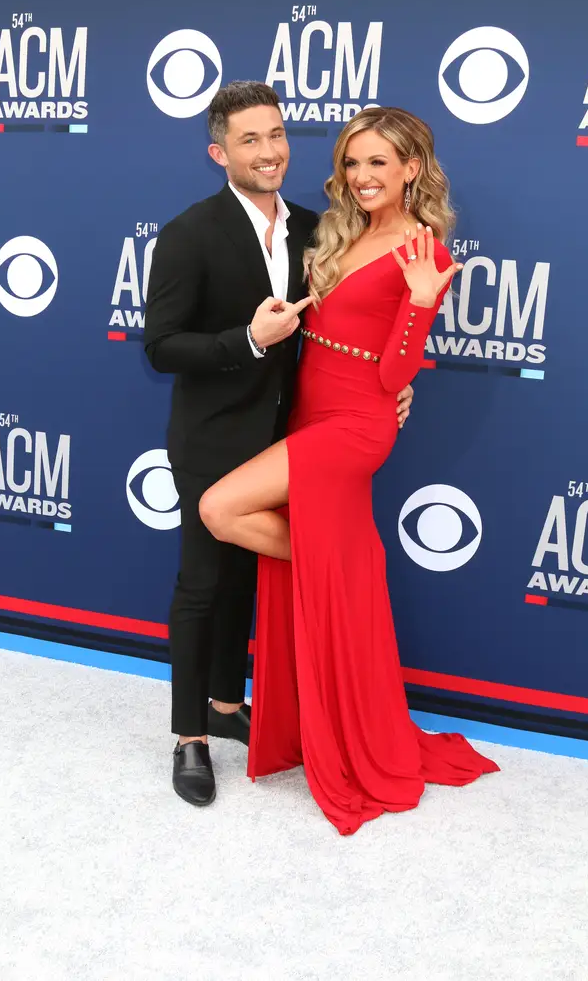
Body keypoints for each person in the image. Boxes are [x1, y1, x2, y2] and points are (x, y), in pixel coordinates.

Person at [199, 106, 500, 835]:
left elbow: (397, 370)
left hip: (356, 424)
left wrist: (423, 307)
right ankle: (347, 572)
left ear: (412, 170)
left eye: (379, 164)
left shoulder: (423, 252)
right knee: (273, 530)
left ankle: (348, 569)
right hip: (310, 411)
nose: (363, 177)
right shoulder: (347, 233)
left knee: (221, 509)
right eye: (353, 162)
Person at [144, 83, 415, 808]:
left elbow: (351, 328)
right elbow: (161, 348)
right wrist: (246, 340)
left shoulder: (316, 228)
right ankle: (189, 739)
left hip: (286, 433)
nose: (269, 152)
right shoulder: (190, 232)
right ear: (219, 153)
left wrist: (389, 386)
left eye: (277, 135)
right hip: (209, 436)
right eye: (249, 140)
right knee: (202, 584)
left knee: (246, 580)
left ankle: (227, 708)